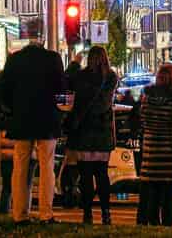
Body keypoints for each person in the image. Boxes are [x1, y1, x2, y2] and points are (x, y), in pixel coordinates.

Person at [0, 35, 66, 222]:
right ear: (43, 40)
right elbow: (62, 89)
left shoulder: (15, 59)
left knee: (20, 165)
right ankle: (46, 212)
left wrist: (13, 109)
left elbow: (3, 90)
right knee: (47, 165)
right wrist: (59, 113)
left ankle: (19, 213)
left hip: (22, 119)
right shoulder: (53, 59)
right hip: (47, 119)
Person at [67, 44, 119, 224]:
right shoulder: (111, 77)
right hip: (102, 130)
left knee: (86, 175)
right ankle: (106, 213)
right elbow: (105, 103)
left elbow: (67, 81)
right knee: (102, 174)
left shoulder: (81, 76)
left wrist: (74, 63)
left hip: (84, 130)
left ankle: (87, 213)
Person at [135, 62, 172, 226]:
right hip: (168, 157)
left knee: (151, 201)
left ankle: (151, 227)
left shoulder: (147, 98)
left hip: (150, 155)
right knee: (168, 204)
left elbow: (142, 121)